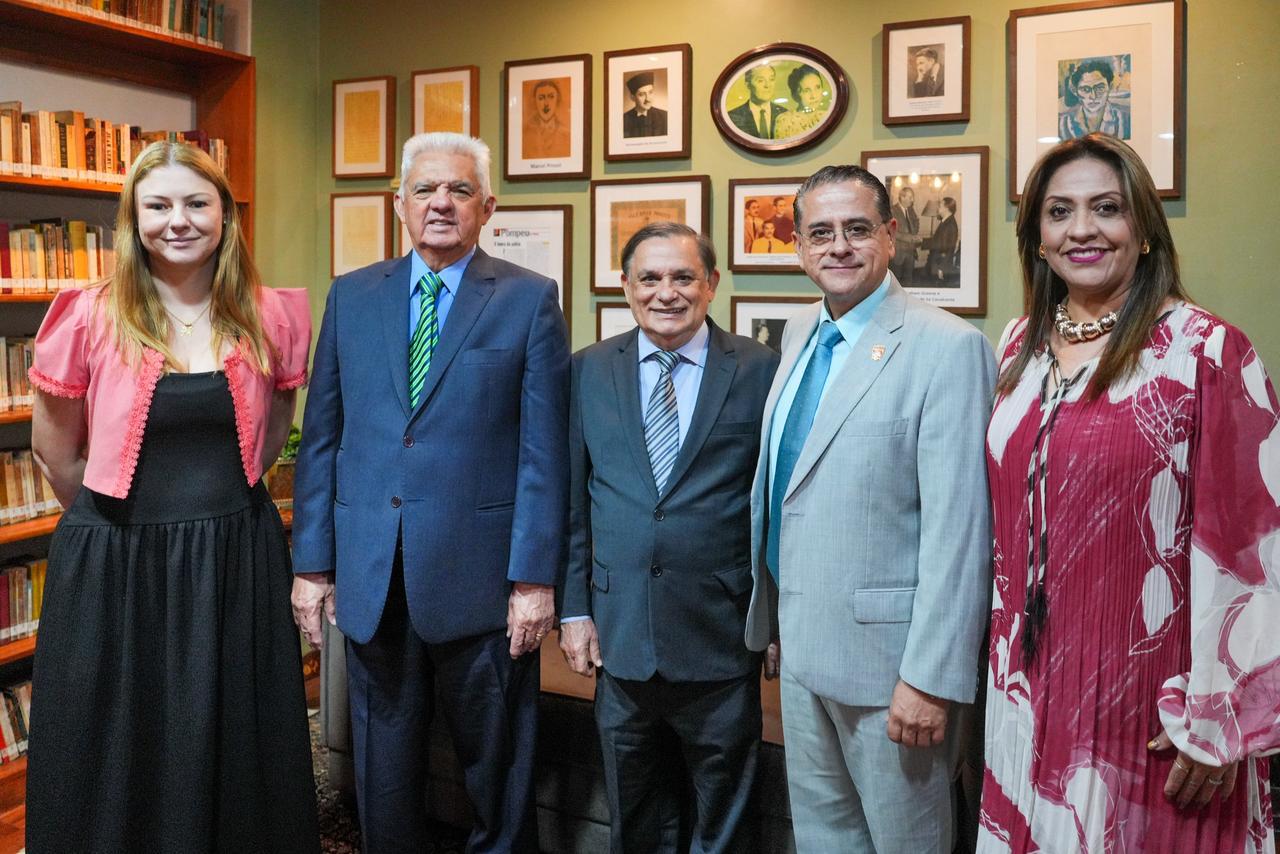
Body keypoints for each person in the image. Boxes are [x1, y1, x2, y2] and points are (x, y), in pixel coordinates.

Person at [979, 133, 1280, 852]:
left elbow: (1256, 547)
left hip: (1152, 704)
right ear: (1038, 237)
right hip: (1024, 693)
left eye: (1106, 208)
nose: (1081, 228)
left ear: (1144, 228)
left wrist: (1218, 718)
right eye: (1059, 212)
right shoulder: (1018, 347)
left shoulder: (1206, 350)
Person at [24, 141, 318, 852]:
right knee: (120, 733)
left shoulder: (270, 316)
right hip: (118, 559)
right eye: (157, 205)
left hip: (235, 554)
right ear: (134, 219)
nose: (177, 220)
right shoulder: (89, 314)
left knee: (234, 732)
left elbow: (272, 436)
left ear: (226, 215)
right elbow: (55, 454)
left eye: (196, 203)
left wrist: (209, 512)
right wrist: (128, 526)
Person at [291, 132, 570, 854]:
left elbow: (544, 455)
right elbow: (322, 438)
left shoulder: (528, 299)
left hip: (484, 582)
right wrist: (312, 565)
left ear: (487, 207)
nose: (441, 203)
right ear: (400, 204)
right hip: (373, 576)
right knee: (383, 771)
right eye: (425, 189)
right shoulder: (353, 295)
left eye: (459, 190)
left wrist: (534, 581)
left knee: (497, 772)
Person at [744, 164, 995, 852]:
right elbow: (793, 490)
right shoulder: (800, 332)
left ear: (890, 236)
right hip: (802, 652)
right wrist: (777, 615)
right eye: (820, 232)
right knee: (825, 839)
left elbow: (961, 533)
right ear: (799, 245)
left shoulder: (948, 347)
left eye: (857, 229)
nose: (839, 246)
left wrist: (931, 680)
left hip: (893, 674)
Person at [559, 221, 779, 854]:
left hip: (721, 637)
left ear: (712, 284)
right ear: (626, 286)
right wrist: (574, 610)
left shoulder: (760, 369)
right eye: (649, 278)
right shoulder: (587, 370)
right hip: (620, 636)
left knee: (724, 822)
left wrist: (775, 615)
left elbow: (776, 506)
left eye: (683, 277)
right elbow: (573, 505)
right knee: (635, 817)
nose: (666, 292)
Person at [1058, 58, 1131, 139]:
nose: (1093, 96)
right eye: (1085, 89)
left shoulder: (1126, 121)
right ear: (1075, 91)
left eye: (1100, 88)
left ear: (1110, 87)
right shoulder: (1063, 124)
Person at [727, 65, 786, 139]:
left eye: (771, 79)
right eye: (760, 80)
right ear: (748, 85)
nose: (767, 85)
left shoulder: (784, 114)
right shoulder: (733, 116)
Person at [774, 64, 827, 139]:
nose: (814, 96)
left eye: (817, 87)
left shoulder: (825, 115)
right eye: (806, 90)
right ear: (795, 95)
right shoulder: (785, 120)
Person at [523, 79, 571, 158]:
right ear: (535, 101)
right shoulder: (525, 133)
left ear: (557, 100)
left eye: (551, 97)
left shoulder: (567, 134)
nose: (546, 104)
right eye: (541, 98)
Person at [924, 196, 960, 285]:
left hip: (939, 265)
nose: (938, 208)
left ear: (946, 208)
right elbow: (937, 241)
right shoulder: (945, 221)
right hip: (936, 262)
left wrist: (941, 268)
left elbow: (948, 249)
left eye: (940, 206)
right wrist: (922, 241)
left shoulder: (950, 224)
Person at [890, 186, 921, 285]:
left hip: (910, 253)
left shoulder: (911, 210)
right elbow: (892, 232)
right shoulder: (893, 210)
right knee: (896, 283)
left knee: (908, 280)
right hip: (898, 254)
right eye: (910, 197)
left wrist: (914, 233)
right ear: (902, 197)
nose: (913, 200)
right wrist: (911, 238)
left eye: (913, 197)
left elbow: (916, 222)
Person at [622, 71, 668, 138]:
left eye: (650, 92)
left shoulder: (665, 116)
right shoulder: (624, 119)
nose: (648, 99)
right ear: (632, 97)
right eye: (641, 94)